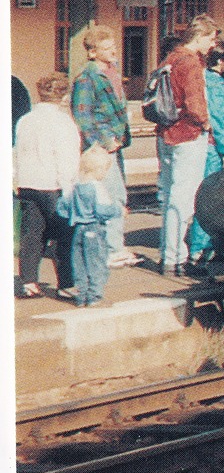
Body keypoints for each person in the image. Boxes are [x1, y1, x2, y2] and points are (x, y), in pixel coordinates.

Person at [155, 15, 219, 277]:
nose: (213, 45)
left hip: (166, 133)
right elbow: (195, 103)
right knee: (183, 200)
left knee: (171, 197)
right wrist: (205, 125)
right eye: (211, 38)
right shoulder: (191, 62)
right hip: (187, 135)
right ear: (200, 36)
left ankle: (168, 254)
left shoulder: (170, 58)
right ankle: (175, 259)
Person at [71, 23, 135, 267]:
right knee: (113, 195)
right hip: (102, 148)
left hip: (114, 144)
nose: (113, 51)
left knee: (117, 194)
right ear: (92, 52)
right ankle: (112, 249)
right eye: (107, 48)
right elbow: (83, 117)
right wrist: (103, 143)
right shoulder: (86, 78)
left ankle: (113, 245)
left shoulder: (112, 72)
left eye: (114, 46)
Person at [14, 73, 80, 298]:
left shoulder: (26, 120)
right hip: (53, 185)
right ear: (64, 97)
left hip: (27, 183)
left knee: (32, 234)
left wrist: (16, 179)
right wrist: (69, 187)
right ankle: (66, 284)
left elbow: (17, 152)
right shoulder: (63, 123)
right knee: (64, 236)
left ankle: (29, 282)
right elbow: (67, 159)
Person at [187, 40, 224, 268]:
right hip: (214, 148)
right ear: (221, 61)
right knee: (210, 197)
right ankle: (201, 247)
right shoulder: (218, 85)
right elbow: (223, 119)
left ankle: (200, 245)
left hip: (203, 144)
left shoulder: (203, 79)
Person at [56, 145, 123, 307]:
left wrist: (76, 214)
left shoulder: (75, 186)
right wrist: (118, 210)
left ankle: (81, 296)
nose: (105, 174)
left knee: (79, 264)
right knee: (96, 263)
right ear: (99, 169)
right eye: (105, 170)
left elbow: (62, 208)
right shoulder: (97, 187)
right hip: (94, 228)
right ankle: (94, 296)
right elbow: (102, 210)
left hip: (78, 229)